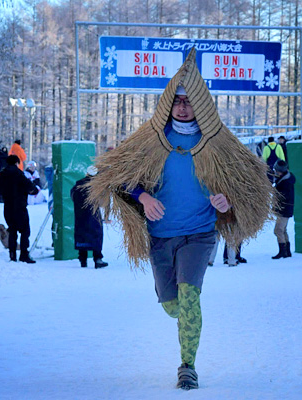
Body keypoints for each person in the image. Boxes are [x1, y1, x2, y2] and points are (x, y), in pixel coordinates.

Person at [86, 49, 273, 391]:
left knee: (189, 298)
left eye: (189, 101)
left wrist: (226, 201)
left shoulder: (218, 145)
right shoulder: (151, 142)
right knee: (172, 304)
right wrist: (142, 197)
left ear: (200, 104)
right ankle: (182, 328)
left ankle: (188, 365)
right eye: (178, 101)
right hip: (161, 236)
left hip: (199, 235)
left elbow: (251, 188)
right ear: (169, 104)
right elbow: (114, 175)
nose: (184, 107)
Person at [0, 155, 40, 263]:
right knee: (25, 231)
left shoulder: (2, 175)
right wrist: (34, 190)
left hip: (8, 208)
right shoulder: (19, 174)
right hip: (20, 207)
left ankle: (12, 255)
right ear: (16, 163)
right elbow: (31, 188)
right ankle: (24, 254)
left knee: (12, 230)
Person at [70, 165, 108, 269]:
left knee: (81, 235)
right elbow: (102, 202)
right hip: (93, 216)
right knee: (96, 234)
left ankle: (83, 260)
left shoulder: (77, 185)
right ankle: (97, 259)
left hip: (80, 216)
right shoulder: (96, 186)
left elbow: (72, 196)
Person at [272, 160, 296, 259]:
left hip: (283, 209)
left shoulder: (285, 183)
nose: (275, 173)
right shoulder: (286, 179)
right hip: (286, 209)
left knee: (278, 230)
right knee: (283, 230)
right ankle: (287, 251)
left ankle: (282, 251)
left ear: (280, 172)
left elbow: (282, 197)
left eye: (276, 171)